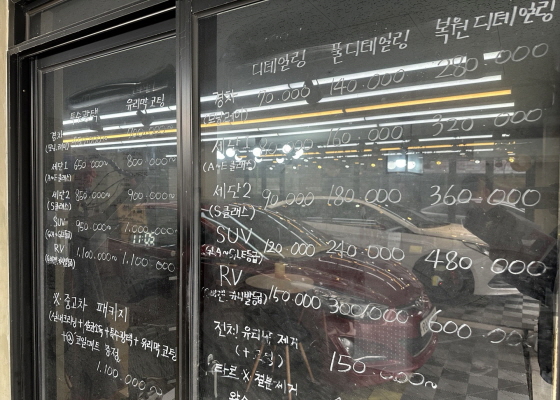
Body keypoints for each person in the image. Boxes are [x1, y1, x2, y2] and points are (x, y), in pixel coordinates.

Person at [461, 174, 557, 383]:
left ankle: (549, 370)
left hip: (517, 279)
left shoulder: (505, 218)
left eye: (477, 191)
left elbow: (518, 249)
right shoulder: (471, 217)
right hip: (499, 276)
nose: (474, 196)